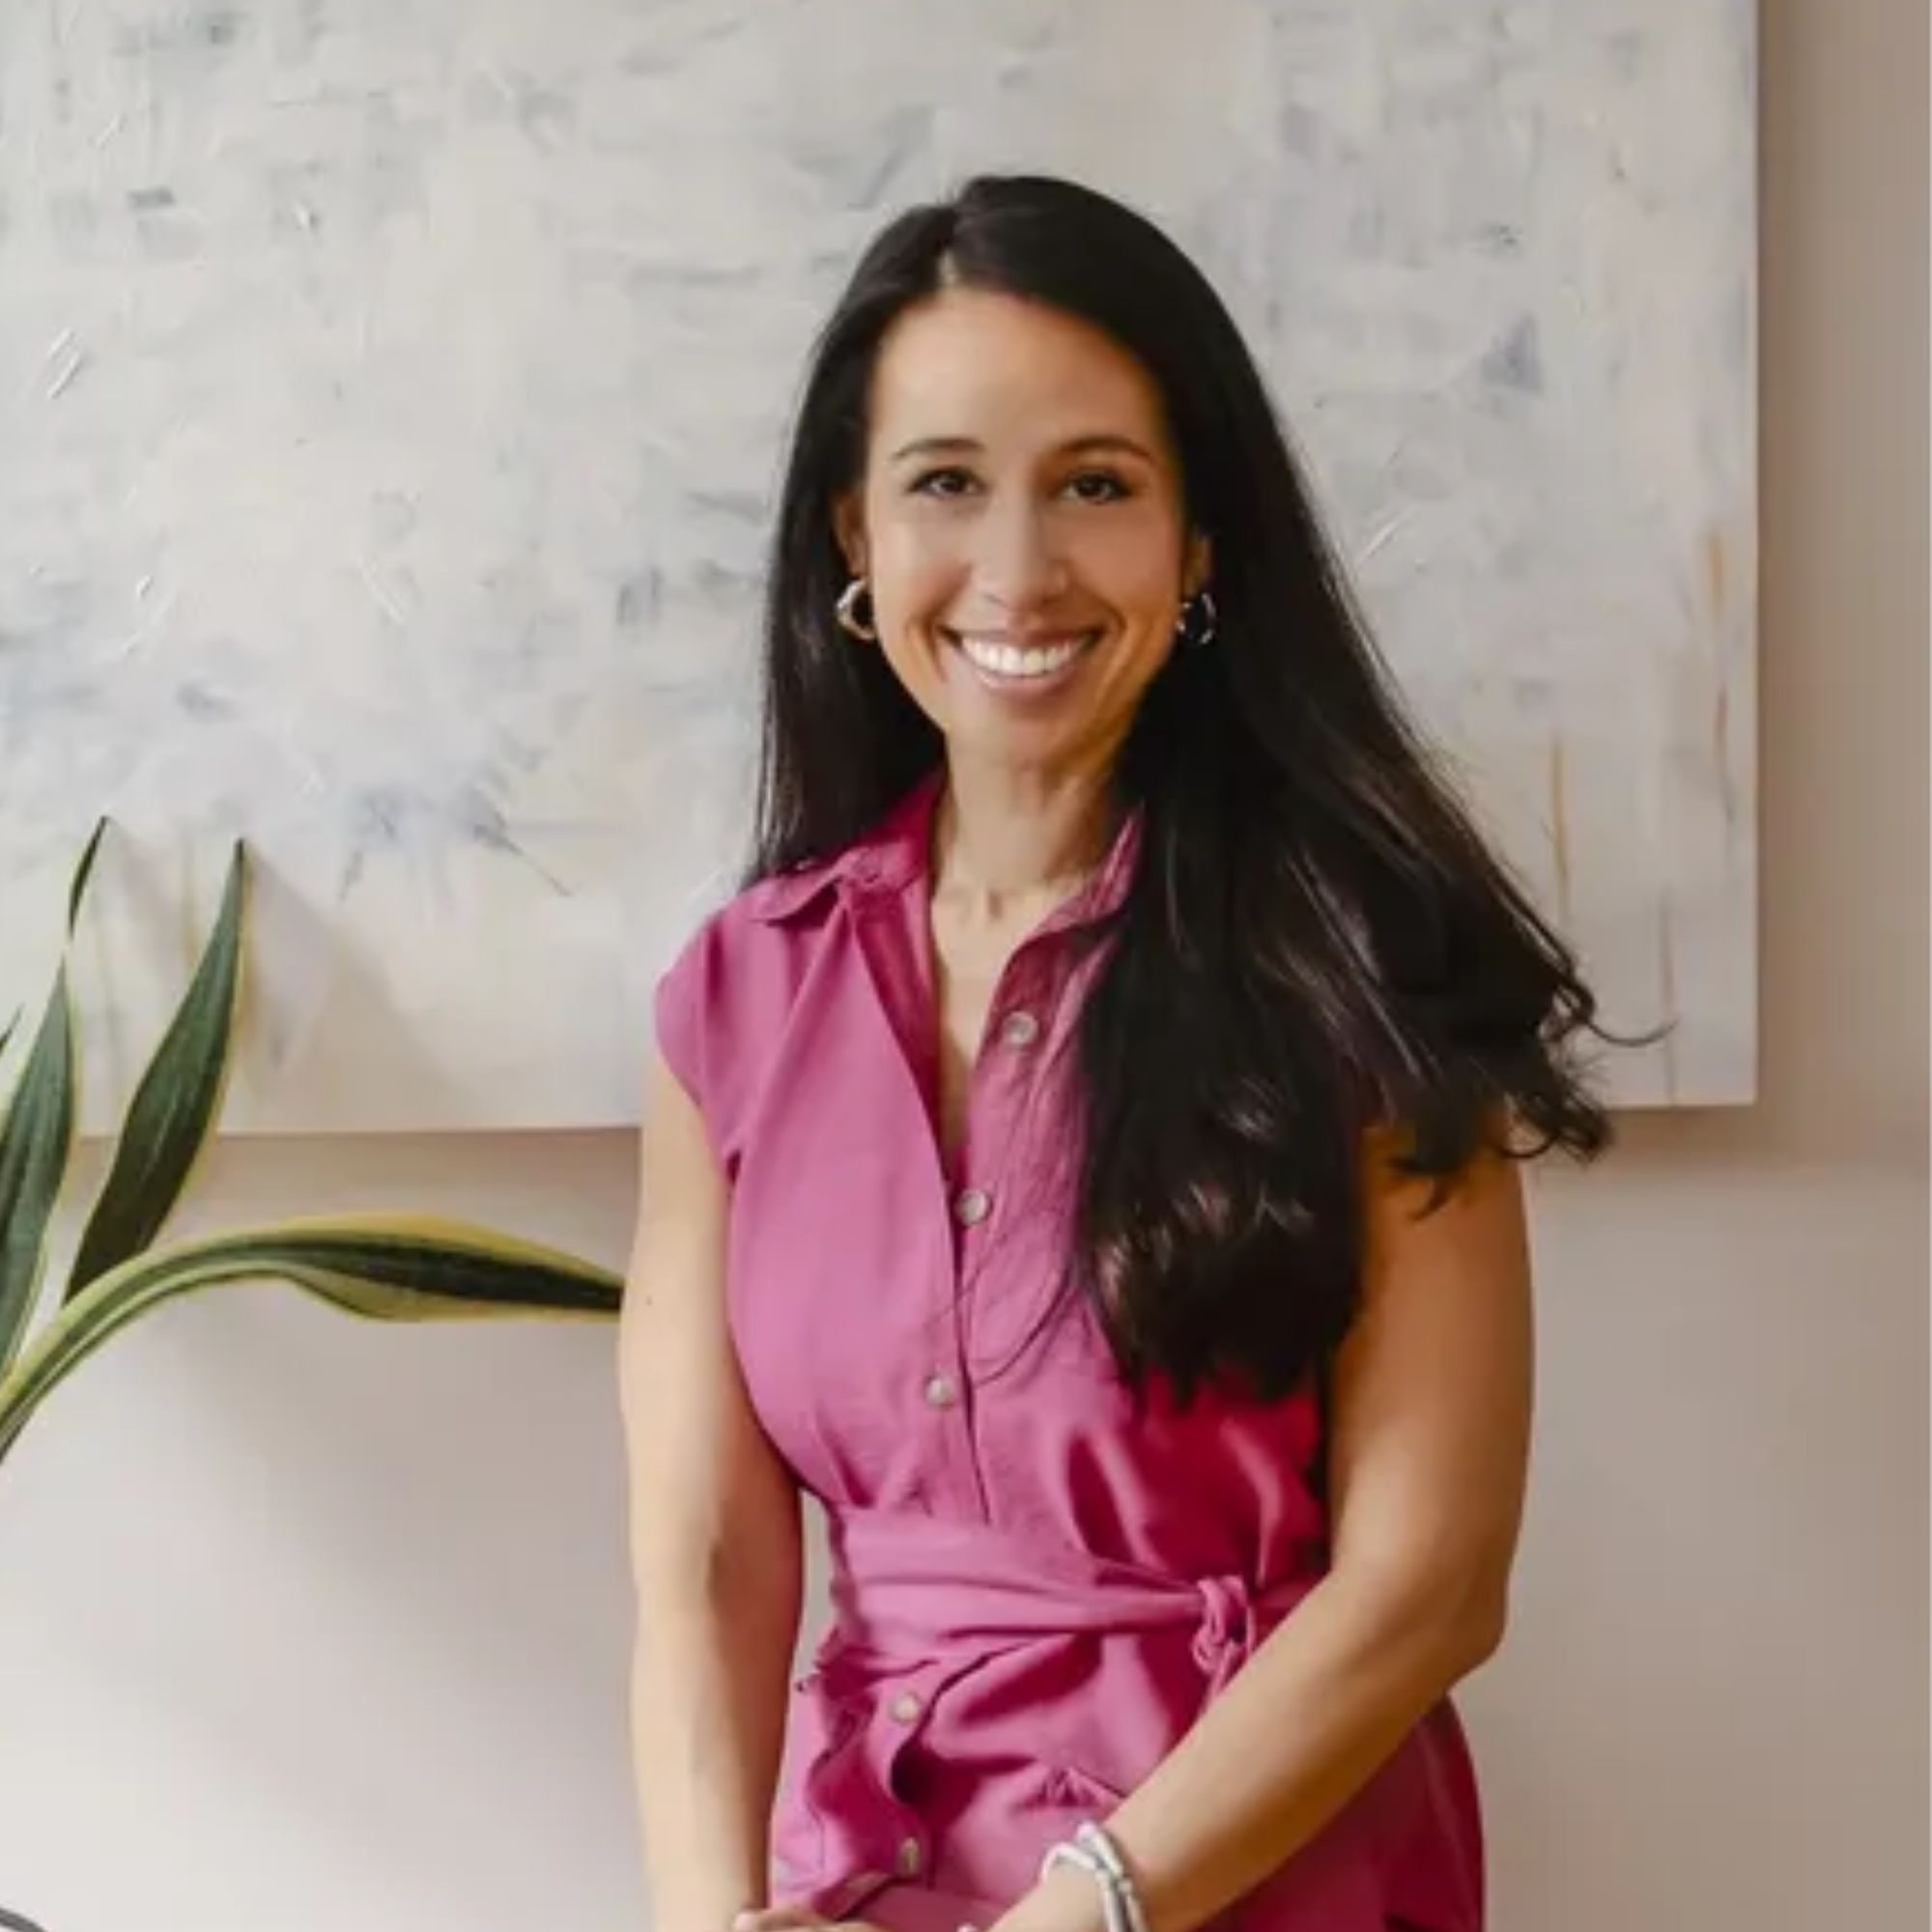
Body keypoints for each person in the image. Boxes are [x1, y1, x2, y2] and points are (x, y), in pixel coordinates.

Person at [619, 174, 1609, 1932]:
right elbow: (707, 1565)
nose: (1018, 571)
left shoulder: (1357, 967)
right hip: (880, 1881)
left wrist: (1085, 1911)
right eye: (945, 485)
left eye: (1095, 485)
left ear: (1201, 541)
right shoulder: (740, 1001)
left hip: (1265, 1877)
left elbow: (1432, 1581)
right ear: (851, 533)